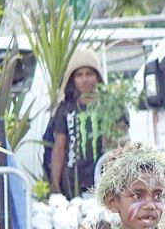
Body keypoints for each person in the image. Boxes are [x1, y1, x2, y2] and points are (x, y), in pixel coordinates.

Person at [49, 49, 122, 198]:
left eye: (89, 74)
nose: (84, 79)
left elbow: (122, 143)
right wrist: (55, 187)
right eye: (79, 75)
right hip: (73, 184)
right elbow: (59, 149)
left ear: (97, 77)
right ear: (72, 79)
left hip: (106, 182)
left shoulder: (110, 105)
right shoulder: (66, 109)